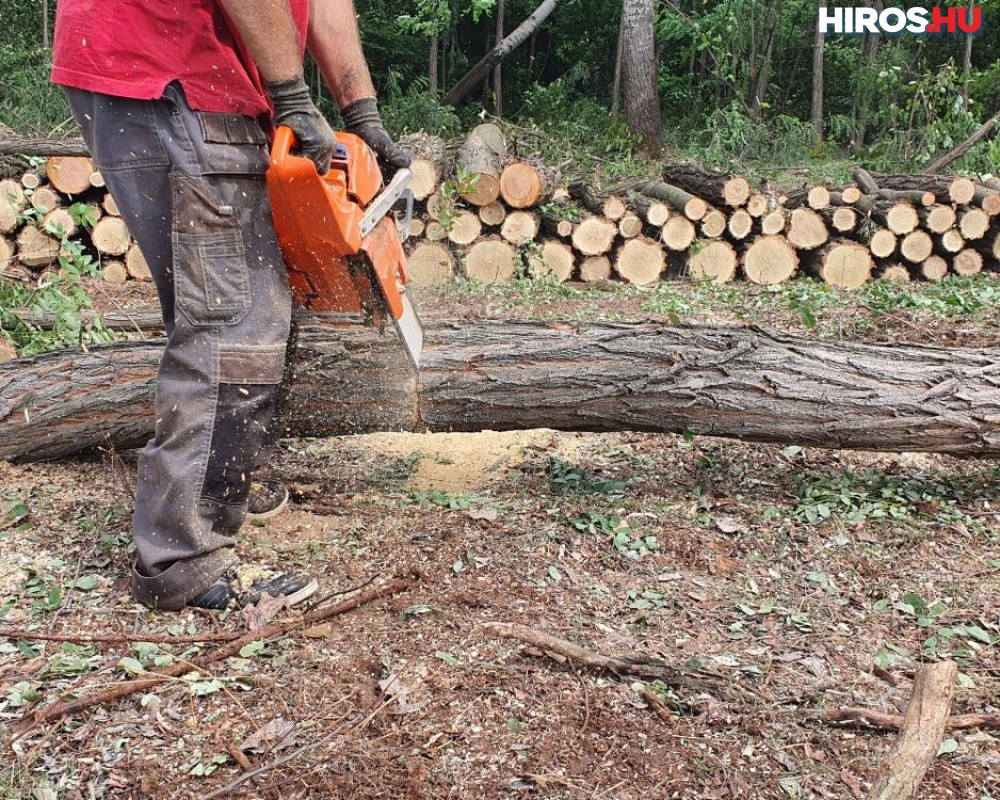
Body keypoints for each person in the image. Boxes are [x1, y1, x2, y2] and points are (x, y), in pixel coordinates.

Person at [50, 0, 410, 611]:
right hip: (170, 65)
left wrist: (362, 112)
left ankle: (221, 481)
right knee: (232, 324)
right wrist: (291, 93)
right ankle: (182, 562)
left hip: (160, 67)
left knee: (221, 292)